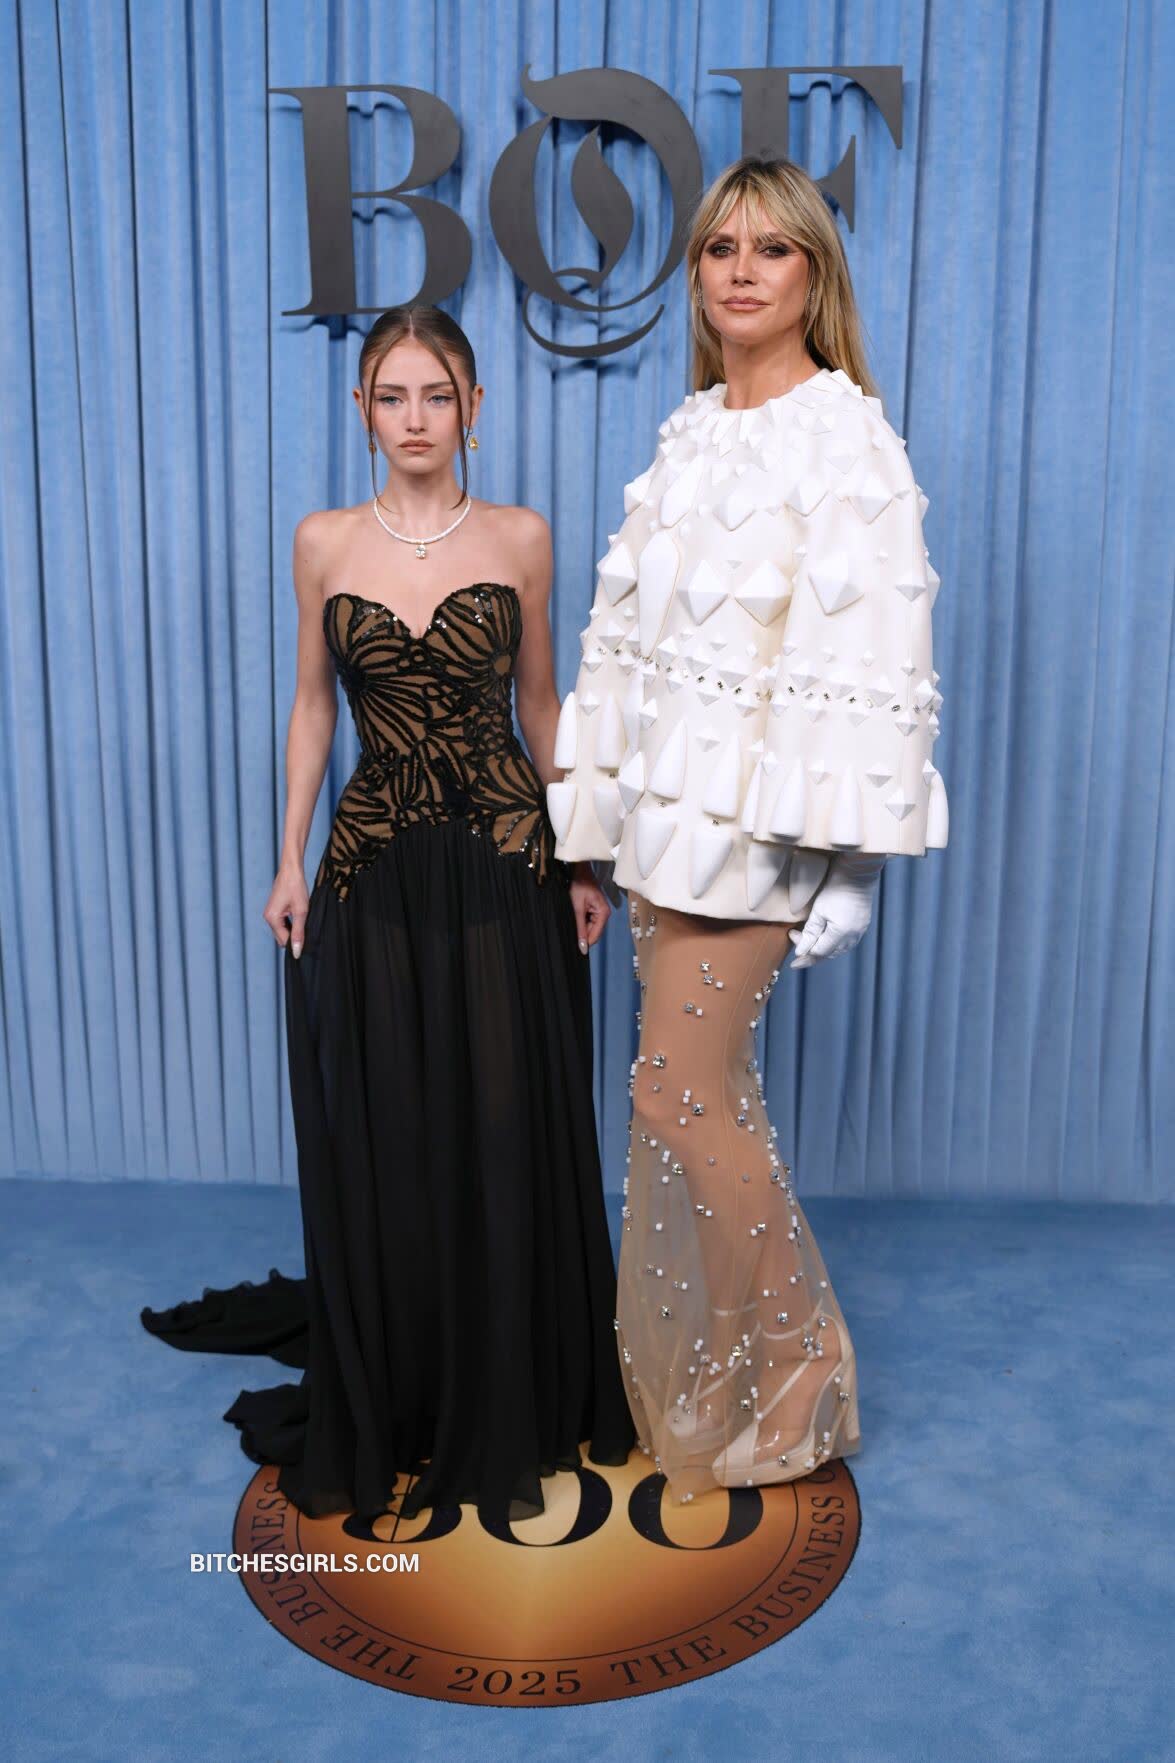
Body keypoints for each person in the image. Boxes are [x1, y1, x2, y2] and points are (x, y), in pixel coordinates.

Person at [146, 304, 634, 1525]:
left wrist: (584, 856)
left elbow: (540, 705)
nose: (415, 418)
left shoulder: (522, 535)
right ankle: (411, 1372)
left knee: (504, 1118)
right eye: (391, 395)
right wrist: (288, 858)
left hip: (506, 861)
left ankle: (511, 1368)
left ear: (474, 406)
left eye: (436, 394)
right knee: (397, 1122)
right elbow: (313, 704)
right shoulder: (321, 540)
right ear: (362, 411)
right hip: (373, 864)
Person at [546, 158, 949, 1505]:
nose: (738, 269)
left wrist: (848, 861)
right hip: (663, 819)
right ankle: (719, 1374)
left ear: (812, 275)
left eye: (769, 248)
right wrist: (593, 822)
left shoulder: (846, 438)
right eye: (719, 246)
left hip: (761, 826)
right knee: (697, 1099)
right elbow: (623, 641)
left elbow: (869, 650)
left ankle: (800, 1366)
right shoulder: (692, 428)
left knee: (676, 1094)